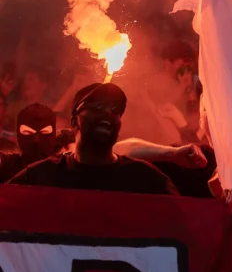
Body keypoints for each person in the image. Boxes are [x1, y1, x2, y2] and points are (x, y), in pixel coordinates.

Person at [8, 83, 179, 195]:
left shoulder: (146, 180)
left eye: (115, 109)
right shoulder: (41, 177)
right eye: (96, 107)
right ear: (74, 122)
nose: (107, 113)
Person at [0, 103, 60, 183]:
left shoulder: (63, 168)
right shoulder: (8, 165)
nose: (36, 140)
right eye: (27, 132)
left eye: (44, 132)